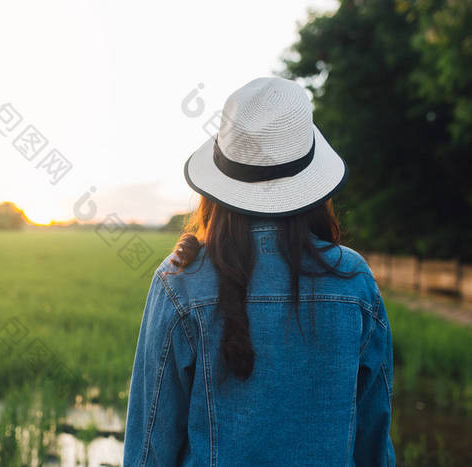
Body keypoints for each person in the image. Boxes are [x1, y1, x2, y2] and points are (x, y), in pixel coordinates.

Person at [123, 77, 395, 466]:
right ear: (313, 182)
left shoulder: (179, 282)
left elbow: (149, 450)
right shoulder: (354, 281)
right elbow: (374, 445)